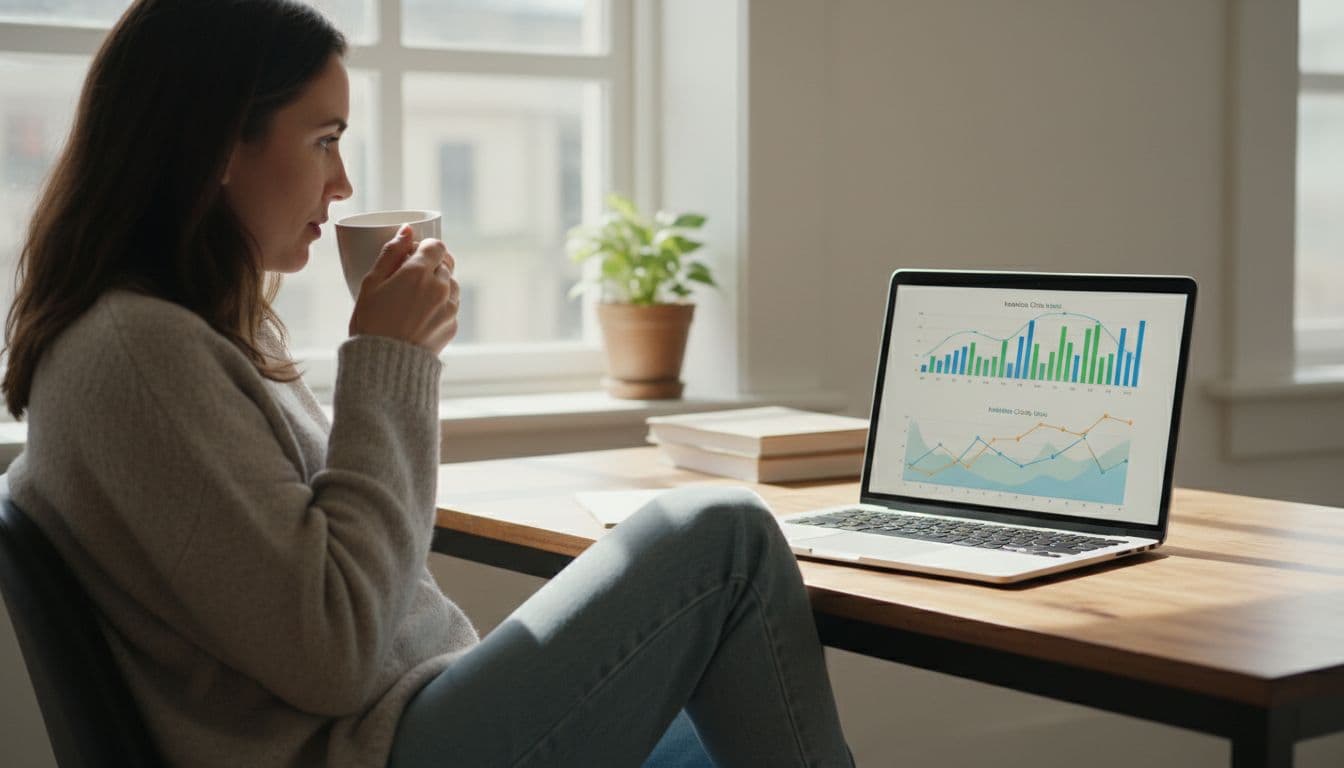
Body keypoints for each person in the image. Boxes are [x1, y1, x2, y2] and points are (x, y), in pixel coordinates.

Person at [1, 1, 854, 766]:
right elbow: (332, 650)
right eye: (324, 139)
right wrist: (388, 359)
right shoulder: (137, 352)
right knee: (725, 536)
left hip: (406, 722)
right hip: (381, 745)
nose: (342, 186)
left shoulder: (187, 332)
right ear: (220, 143)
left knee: (712, 714)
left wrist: (393, 360)